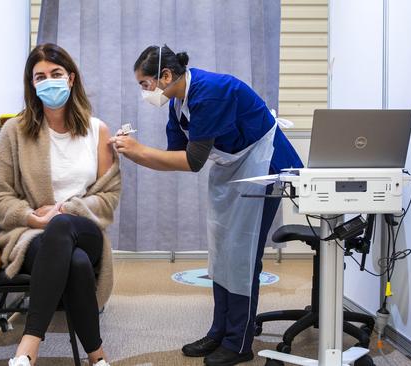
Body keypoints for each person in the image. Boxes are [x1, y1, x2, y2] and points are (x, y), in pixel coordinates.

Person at [110, 45, 303, 366]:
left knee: (241, 257)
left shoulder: (209, 93)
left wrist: (137, 151)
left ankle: (239, 342)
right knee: (223, 253)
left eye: (145, 85)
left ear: (166, 76)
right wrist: (135, 152)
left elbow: (193, 161)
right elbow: (175, 157)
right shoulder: (177, 103)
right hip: (232, 168)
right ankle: (219, 331)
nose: (144, 93)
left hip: (261, 164)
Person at [0, 43, 121, 366]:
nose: (49, 81)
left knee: (64, 225)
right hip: (31, 235)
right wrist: (32, 218)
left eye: (56, 74)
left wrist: (63, 211)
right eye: (40, 76)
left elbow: (108, 197)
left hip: (84, 229)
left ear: (71, 79)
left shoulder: (97, 130)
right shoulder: (14, 132)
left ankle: (28, 346)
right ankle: (97, 357)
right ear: (32, 85)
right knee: (74, 263)